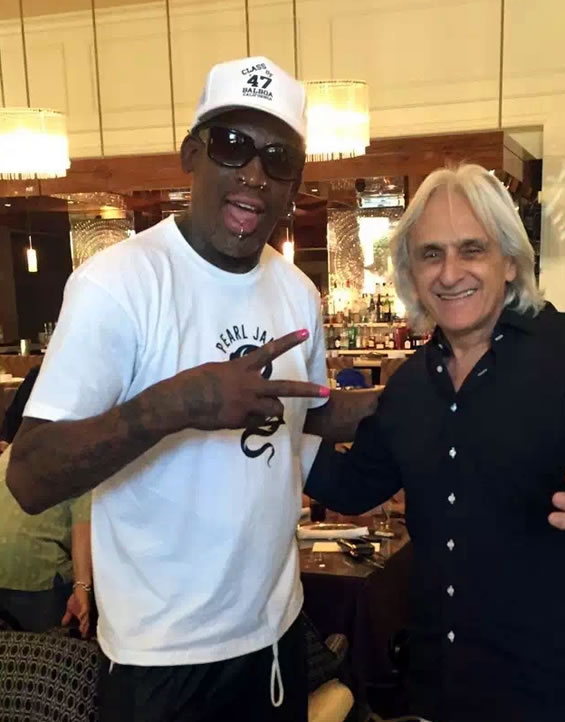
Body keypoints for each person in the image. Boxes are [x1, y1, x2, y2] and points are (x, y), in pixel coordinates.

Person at [7, 56, 375, 722]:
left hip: (275, 638)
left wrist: (429, 396)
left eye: (278, 157)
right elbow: (29, 477)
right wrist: (172, 406)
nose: (255, 173)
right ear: (192, 153)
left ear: (295, 182)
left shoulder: (297, 291)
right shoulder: (116, 284)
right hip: (160, 660)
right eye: (233, 145)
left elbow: (308, 414)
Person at [305, 164, 565, 722]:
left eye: (472, 249)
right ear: (411, 272)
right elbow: (355, 485)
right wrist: (268, 435)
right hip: (449, 693)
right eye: (431, 254)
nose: (450, 273)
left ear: (510, 260)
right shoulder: (411, 385)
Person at [0, 367, 91, 637]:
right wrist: (83, 588)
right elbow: (84, 524)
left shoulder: (17, 447)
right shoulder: (85, 452)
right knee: (53, 652)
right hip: (38, 576)